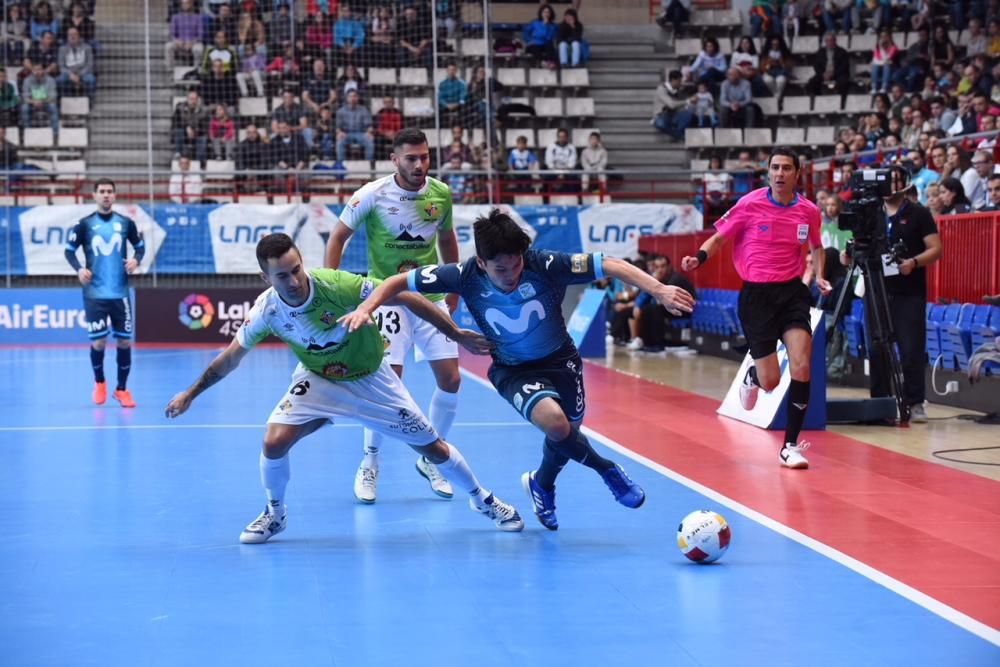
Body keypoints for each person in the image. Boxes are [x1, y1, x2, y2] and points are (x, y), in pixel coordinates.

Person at [340, 209, 696, 530]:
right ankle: (607, 470)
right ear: (481, 262)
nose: (510, 275)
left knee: (566, 433)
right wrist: (367, 308)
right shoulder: (463, 276)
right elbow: (395, 282)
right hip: (513, 370)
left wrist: (659, 289)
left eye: (515, 265)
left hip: (561, 360)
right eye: (500, 269)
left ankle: (541, 484)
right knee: (557, 425)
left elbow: (609, 263)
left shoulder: (544, 264)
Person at [165, 233, 524, 543]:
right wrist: (190, 393)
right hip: (320, 379)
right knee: (273, 442)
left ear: (302, 263)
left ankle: (483, 499)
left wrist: (454, 332)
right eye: (281, 276)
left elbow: (402, 296)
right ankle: (275, 513)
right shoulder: (267, 311)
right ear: (265, 277)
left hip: (372, 379)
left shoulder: (335, 285)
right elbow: (229, 358)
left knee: (434, 448)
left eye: (296, 270)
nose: (293, 281)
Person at [324, 128, 461, 504]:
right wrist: (335, 292)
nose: (420, 164)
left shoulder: (440, 194)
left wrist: (456, 283)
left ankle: (433, 458)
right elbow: (336, 238)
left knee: (451, 380)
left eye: (425, 157)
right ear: (395, 160)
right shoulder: (370, 194)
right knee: (386, 386)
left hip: (431, 295)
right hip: (386, 298)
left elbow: (447, 239)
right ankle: (370, 461)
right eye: (411, 158)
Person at [682, 148, 830, 469]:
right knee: (772, 380)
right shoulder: (750, 204)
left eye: (786, 168)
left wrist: (819, 276)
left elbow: (817, 246)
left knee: (802, 365)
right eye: (774, 168)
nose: (779, 173)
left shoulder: (808, 211)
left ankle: (790, 446)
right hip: (756, 297)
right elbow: (719, 239)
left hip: (792, 293)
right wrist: (699, 257)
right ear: (768, 172)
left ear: (796, 173)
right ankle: (754, 376)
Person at [851, 166, 941, 423]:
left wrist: (913, 261)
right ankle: (881, 402)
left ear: (905, 183)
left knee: (911, 348)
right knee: (876, 347)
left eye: (896, 180)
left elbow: (936, 249)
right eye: (887, 180)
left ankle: (915, 402)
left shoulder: (919, 213)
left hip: (909, 291)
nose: (891, 185)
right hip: (876, 290)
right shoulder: (869, 213)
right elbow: (858, 246)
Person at [63, 179, 145, 408]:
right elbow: (69, 251)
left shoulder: (126, 223)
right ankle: (100, 382)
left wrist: (136, 260)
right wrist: (79, 268)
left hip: (120, 294)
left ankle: (122, 389)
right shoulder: (84, 225)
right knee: (99, 343)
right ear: (94, 195)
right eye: (102, 192)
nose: (106, 195)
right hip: (94, 294)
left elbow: (140, 246)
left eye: (110, 191)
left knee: (125, 342)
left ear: (115, 196)